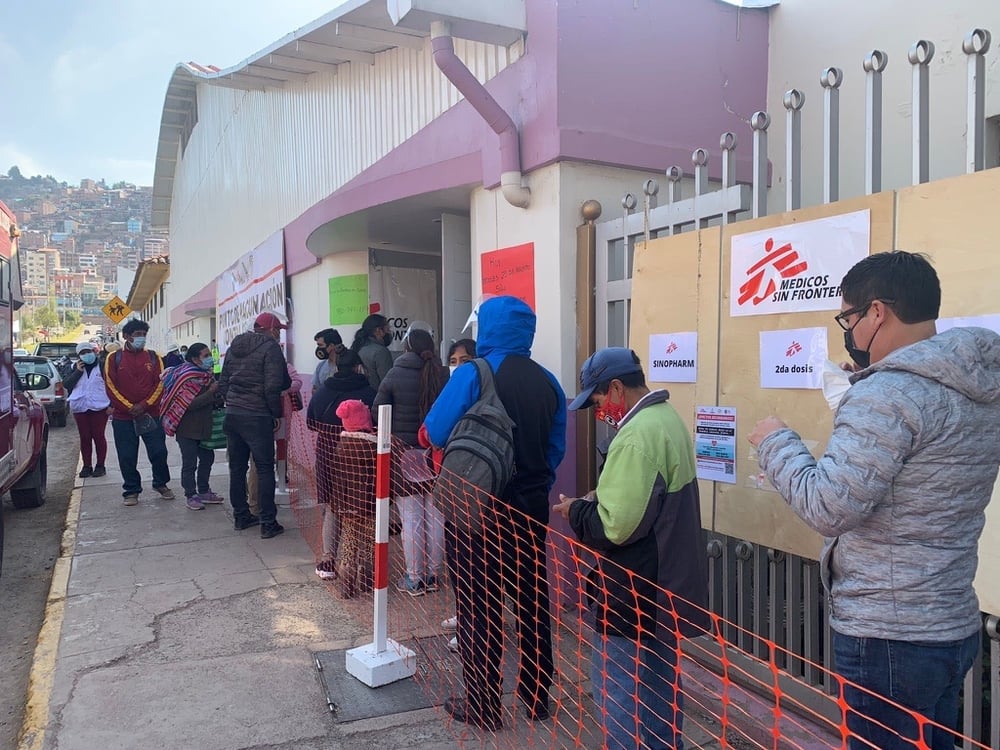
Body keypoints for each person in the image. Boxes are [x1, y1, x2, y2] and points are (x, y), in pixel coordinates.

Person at [748, 251, 1000, 750]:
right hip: (950, 622)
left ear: (877, 312)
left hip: (888, 636)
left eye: (849, 318)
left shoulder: (888, 394)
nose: (850, 330)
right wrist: (861, 392)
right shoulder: (977, 386)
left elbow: (828, 507)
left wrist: (777, 441)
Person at [553, 347, 709, 750]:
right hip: (665, 584)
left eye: (600, 399)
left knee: (618, 688)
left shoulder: (636, 435)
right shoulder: (666, 419)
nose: (599, 410)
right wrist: (601, 497)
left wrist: (577, 510)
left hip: (633, 590)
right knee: (660, 688)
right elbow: (646, 502)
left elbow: (616, 527)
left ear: (617, 387)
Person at [423, 295, 566, 730]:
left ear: (488, 329)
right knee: (530, 597)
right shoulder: (549, 382)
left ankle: (484, 705)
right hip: (530, 507)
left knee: (477, 603)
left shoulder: (473, 373)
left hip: (478, 510)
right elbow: (554, 450)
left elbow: (435, 430)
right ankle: (536, 696)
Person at [372, 327, 448, 596]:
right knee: (436, 516)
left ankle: (414, 578)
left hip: (404, 455)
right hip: (437, 454)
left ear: (405, 348)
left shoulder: (395, 373)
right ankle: (434, 576)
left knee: (411, 517)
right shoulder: (442, 374)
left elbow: (377, 411)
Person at [219, 312, 291, 539]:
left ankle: (241, 517)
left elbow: (223, 382)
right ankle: (268, 522)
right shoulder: (271, 348)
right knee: (264, 468)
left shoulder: (234, 347)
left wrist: (231, 403)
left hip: (233, 414)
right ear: (270, 329)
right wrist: (275, 414)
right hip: (257, 415)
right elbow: (274, 385)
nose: (278, 333)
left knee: (237, 468)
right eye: (277, 329)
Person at [307, 348, 376, 580]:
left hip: (328, 454)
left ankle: (328, 560)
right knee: (366, 510)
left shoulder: (323, 392)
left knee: (331, 506)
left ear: (336, 367)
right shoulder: (369, 392)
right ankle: (364, 565)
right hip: (364, 456)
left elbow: (310, 422)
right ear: (359, 367)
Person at [104, 318, 174, 506]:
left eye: (144, 335)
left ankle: (161, 483)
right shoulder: (114, 358)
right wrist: (128, 407)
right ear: (126, 336)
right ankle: (131, 490)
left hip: (151, 414)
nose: (141, 338)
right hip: (123, 417)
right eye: (137, 335)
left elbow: (161, 383)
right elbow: (110, 386)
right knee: (127, 455)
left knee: (159, 451)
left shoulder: (153, 357)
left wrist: (144, 405)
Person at [162, 343, 224, 511]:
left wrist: (218, 394)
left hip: (205, 426)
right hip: (187, 428)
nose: (210, 358)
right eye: (206, 355)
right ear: (195, 359)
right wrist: (211, 392)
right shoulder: (187, 376)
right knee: (190, 462)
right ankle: (190, 494)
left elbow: (214, 400)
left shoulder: (207, 375)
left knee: (207, 459)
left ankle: (204, 491)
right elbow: (189, 404)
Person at [328, 399, 379, 597]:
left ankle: (346, 586)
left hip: (346, 505)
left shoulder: (341, 446)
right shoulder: (373, 449)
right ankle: (367, 581)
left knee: (349, 542)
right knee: (368, 543)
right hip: (369, 505)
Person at [64, 341, 111, 479]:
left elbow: (112, 385)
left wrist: (112, 405)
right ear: (79, 356)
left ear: (94, 352)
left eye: (88, 352)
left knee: (98, 436)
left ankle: (100, 466)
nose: (86, 355)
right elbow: (67, 384)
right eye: (83, 353)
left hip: (100, 407)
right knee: (85, 437)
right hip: (80, 407)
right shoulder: (73, 367)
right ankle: (86, 466)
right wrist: (78, 371)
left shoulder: (102, 366)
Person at [350, 313, 393, 390]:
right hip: (375, 398)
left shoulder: (356, 347)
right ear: (378, 330)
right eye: (387, 329)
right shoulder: (381, 352)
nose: (389, 332)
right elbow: (388, 383)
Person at [311, 328, 345, 392]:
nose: (318, 348)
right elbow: (315, 389)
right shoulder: (321, 366)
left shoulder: (348, 364)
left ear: (331, 345)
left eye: (320, 345)